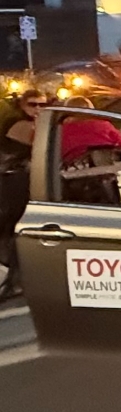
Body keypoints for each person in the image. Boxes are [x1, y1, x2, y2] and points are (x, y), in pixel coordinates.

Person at [0, 91, 46, 299]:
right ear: (22, 105)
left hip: (19, 178)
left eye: (42, 105)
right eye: (33, 104)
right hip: (10, 179)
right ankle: (12, 278)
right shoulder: (18, 124)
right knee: (15, 225)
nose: (38, 109)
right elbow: (40, 146)